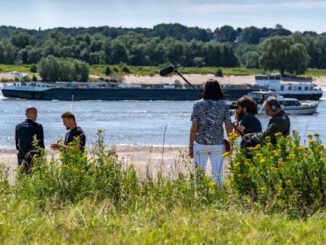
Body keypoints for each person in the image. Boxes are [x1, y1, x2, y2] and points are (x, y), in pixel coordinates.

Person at [189, 79, 233, 187]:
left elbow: (194, 127)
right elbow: (228, 126)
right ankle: (219, 195)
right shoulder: (224, 105)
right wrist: (232, 143)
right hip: (218, 144)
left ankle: (199, 195)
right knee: (218, 174)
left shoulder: (197, 105)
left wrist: (190, 145)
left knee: (199, 174)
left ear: (205, 90)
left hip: (200, 144)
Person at [15, 107, 45, 173]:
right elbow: (41, 145)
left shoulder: (18, 127)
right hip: (35, 158)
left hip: (22, 158)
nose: (37, 115)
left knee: (23, 179)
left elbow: (17, 145)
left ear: (26, 114)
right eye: (36, 113)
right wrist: (42, 158)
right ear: (34, 114)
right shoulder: (38, 126)